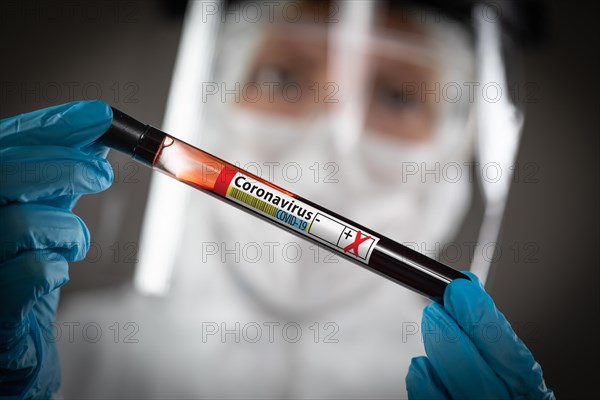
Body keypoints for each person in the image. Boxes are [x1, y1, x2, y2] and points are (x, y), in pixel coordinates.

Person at [0, 1, 554, 398]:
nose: (328, 153)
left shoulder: (467, 386)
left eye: (398, 94)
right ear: (211, 95)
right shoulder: (66, 356)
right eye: (281, 76)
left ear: (463, 140)